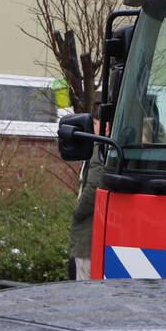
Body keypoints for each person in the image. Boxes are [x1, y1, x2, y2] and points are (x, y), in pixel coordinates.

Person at [69, 104, 103, 280]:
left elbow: (92, 188)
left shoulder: (100, 150)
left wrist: (78, 213)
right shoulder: (103, 150)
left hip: (87, 234)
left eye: (95, 123)